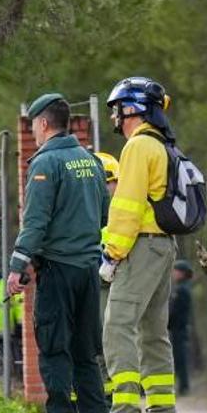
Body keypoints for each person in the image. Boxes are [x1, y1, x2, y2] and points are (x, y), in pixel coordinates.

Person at [6, 93, 110, 413]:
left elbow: (34, 221)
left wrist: (17, 266)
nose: (33, 131)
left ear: (44, 123)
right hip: (88, 269)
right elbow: (104, 215)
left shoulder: (45, 164)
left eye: (34, 124)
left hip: (57, 269)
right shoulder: (91, 161)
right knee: (85, 349)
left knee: (53, 348)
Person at [82, 77, 180, 413]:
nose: (114, 117)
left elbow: (126, 207)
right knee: (154, 333)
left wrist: (111, 254)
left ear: (132, 109)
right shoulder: (163, 145)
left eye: (117, 109)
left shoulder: (138, 146)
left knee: (117, 325)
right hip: (163, 246)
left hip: (140, 247)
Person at [94, 150, 120, 397]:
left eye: (107, 182)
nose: (103, 189)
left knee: (110, 344)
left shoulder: (122, 214)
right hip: (89, 287)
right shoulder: (83, 213)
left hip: (112, 288)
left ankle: (112, 402)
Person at [168, 260, 196, 396]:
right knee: (177, 358)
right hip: (177, 328)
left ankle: (183, 387)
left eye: (176, 270)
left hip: (179, 329)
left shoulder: (182, 290)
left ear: (182, 273)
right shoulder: (180, 287)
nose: (173, 273)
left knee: (180, 359)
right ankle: (181, 387)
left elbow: (175, 311)